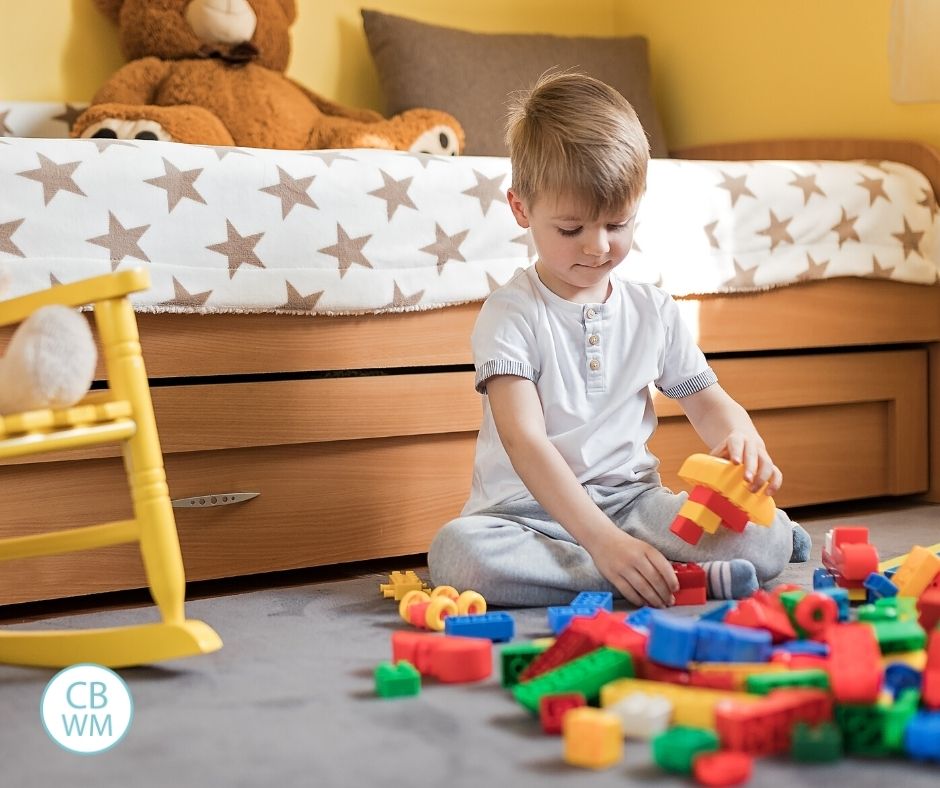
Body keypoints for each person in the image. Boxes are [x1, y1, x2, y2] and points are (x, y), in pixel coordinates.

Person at [428, 71, 810, 608]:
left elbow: (704, 398)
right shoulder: (510, 314)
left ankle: (644, 566)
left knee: (767, 541)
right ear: (521, 209)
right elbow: (525, 442)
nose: (597, 247)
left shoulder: (651, 309)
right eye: (571, 229)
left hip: (632, 502)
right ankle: (647, 574)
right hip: (525, 515)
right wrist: (603, 543)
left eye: (618, 223)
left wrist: (743, 438)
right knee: (457, 556)